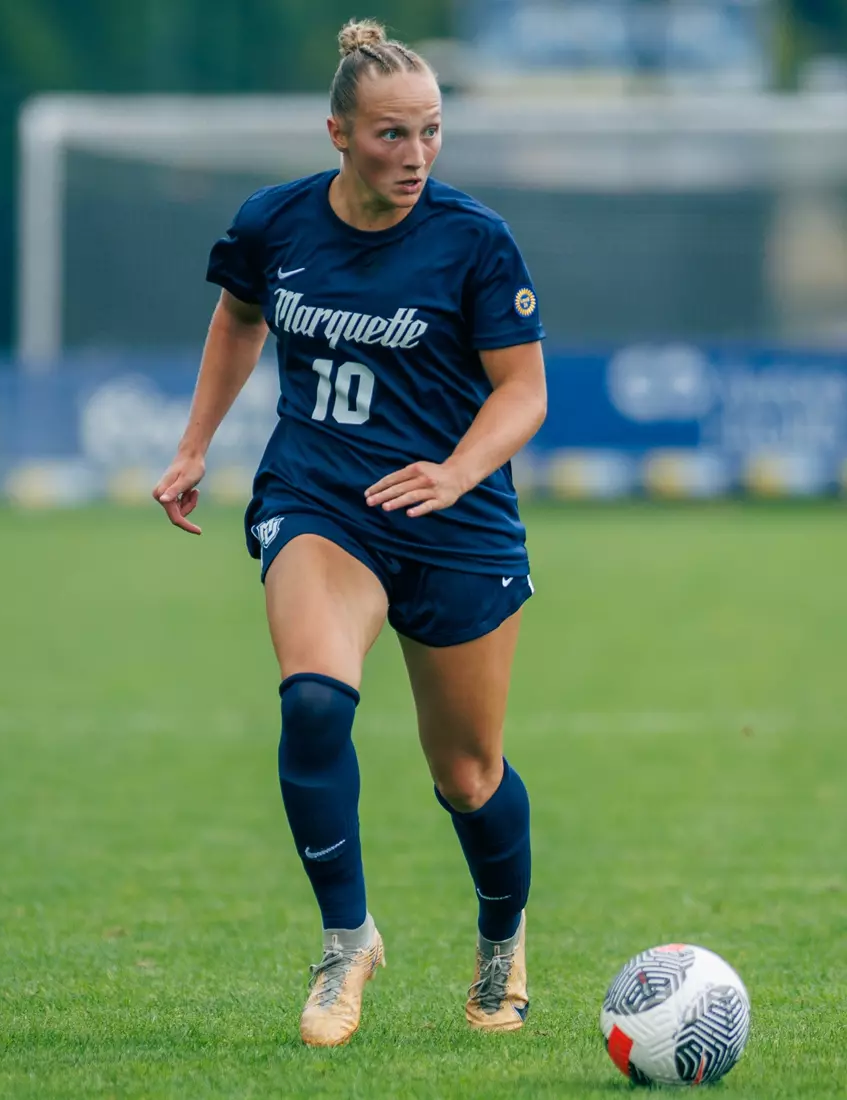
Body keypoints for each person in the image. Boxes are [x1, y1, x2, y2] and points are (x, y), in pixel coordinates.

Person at [153, 18, 547, 1048]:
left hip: (458, 523)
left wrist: (458, 469)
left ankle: (501, 939)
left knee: (468, 774)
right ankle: (346, 937)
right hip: (323, 501)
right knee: (316, 702)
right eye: (389, 135)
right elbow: (241, 316)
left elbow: (523, 392)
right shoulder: (274, 223)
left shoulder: (474, 238)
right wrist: (196, 444)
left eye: (430, 132)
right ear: (337, 132)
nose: (414, 156)